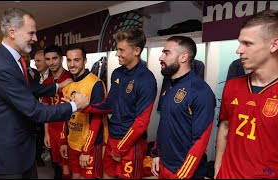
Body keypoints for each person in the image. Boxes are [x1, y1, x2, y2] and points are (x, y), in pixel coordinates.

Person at [0, 7, 89, 179]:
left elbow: (27, 88)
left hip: (21, 148)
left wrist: (57, 87)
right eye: (31, 33)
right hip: (8, 154)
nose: (35, 38)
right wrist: (75, 105)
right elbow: (35, 110)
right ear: (12, 32)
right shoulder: (3, 66)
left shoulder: (12, 59)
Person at [83, 28, 157, 179]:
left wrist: (120, 149)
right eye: (117, 49)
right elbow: (110, 104)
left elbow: (141, 123)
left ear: (136, 51)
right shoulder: (117, 73)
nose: (117, 53)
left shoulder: (147, 80)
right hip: (112, 137)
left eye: (121, 50)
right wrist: (85, 107)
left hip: (131, 144)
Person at [214, 9, 278, 179]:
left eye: (247, 44)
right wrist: (218, 169)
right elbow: (225, 127)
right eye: (239, 43)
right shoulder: (232, 86)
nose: (238, 50)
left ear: (274, 45)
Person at [150, 36, 216, 179]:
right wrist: (156, 153)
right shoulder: (170, 84)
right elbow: (165, 123)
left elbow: (200, 140)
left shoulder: (200, 91)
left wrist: (183, 174)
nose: (161, 57)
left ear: (183, 57)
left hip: (184, 172)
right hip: (164, 165)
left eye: (166, 53)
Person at [60, 44, 108, 179]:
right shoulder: (67, 84)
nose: (72, 64)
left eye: (76, 60)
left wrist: (86, 149)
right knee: (75, 175)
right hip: (72, 142)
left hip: (90, 145)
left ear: (85, 61)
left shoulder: (95, 84)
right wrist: (63, 141)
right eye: (69, 60)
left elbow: (97, 119)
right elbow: (66, 115)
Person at [41, 45, 72, 179]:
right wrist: (46, 133)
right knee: (57, 165)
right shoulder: (47, 82)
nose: (51, 62)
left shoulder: (70, 78)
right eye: (48, 59)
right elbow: (45, 110)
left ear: (61, 59)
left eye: (54, 58)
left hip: (68, 130)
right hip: (53, 129)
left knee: (69, 167)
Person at [33, 49, 51, 167]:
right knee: (38, 138)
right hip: (37, 113)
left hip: (50, 114)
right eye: (35, 61)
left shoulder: (53, 77)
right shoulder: (35, 76)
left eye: (38, 61)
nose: (35, 63)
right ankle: (37, 157)